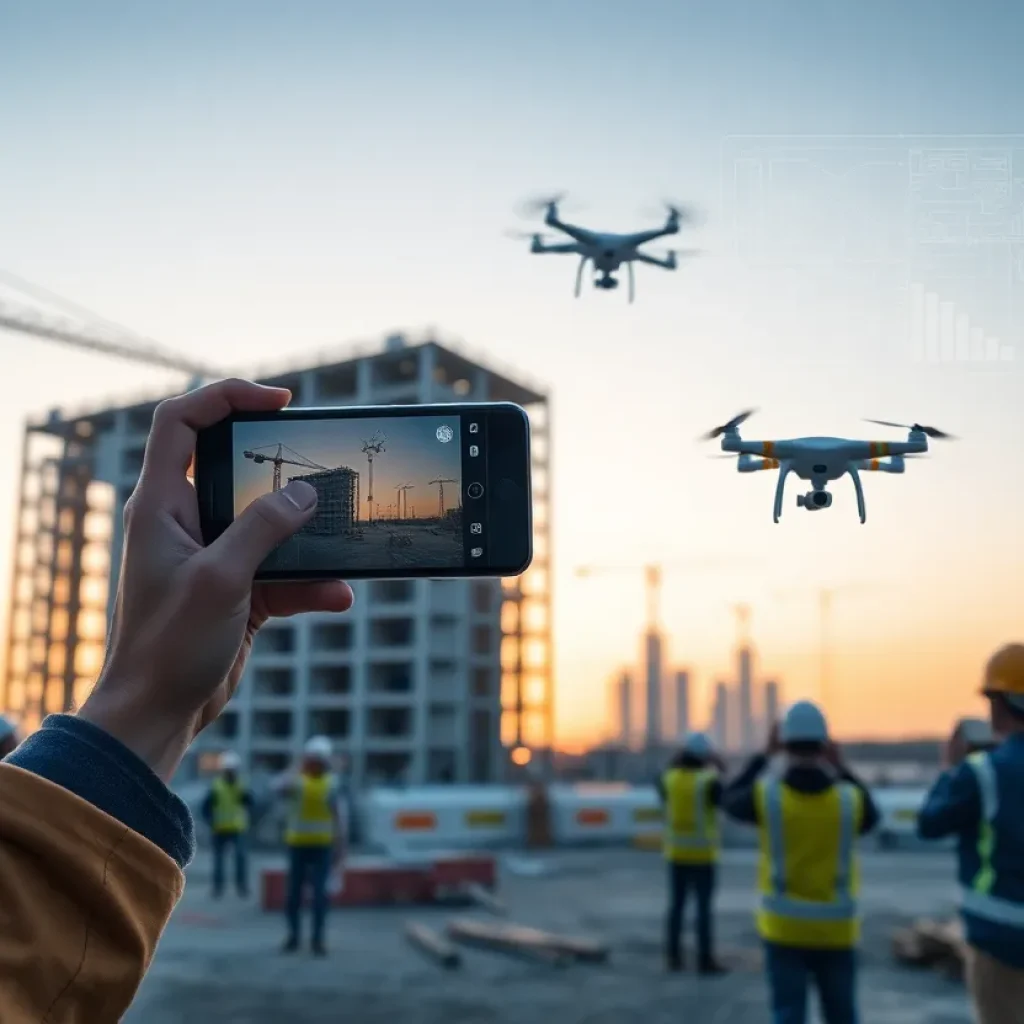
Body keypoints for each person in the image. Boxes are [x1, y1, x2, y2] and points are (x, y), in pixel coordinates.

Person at [0, 378, 354, 1020]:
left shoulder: (309, 786)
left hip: (267, 842)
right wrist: (153, 703)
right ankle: (304, 935)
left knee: (299, 894)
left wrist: (154, 703)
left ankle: (308, 934)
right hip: (246, 841)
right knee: (294, 894)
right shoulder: (303, 785)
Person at [722, 701, 880, 1024]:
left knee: (788, 1014)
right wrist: (842, 767)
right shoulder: (849, 801)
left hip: (784, 929)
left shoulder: (767, 798)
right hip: (836, 930)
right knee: (841, 1015)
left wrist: (764, 757)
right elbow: (873, 816)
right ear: (825, 746)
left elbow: (727, 798)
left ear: (783, 744)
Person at [916, 643, 1024, 1024]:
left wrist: (949, 768)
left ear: (999, 704)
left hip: (999, 936)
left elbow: (929, 824)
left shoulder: (981, 772)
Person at [657, 730, 728, 974]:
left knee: (676, 908)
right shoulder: (708, 781)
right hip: (703, 856)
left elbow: (662, 787)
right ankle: (705, 961)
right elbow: (726, 797)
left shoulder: (670, 778)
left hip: (676, 853)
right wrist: (719, 765)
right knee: (703, 911)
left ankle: (673, 958)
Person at [277, 735, 347, 956]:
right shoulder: (298, 781)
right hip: (297, 845)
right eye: (311, 759)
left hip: (322, 847)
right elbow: (278, 787)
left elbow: (339, 818)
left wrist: (341, 849)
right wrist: (297, 766)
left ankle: (317, 939)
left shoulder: (332, 784)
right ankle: (294, 937)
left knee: (319, 895)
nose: (315, 763)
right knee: (294, 895)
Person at [202, 750, 252, 898]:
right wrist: (210, 821)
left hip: (237, 828)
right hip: (220, 829)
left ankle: (241, 887)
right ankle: (218, 888)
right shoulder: (217, 786)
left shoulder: (241, 786)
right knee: (219, 861)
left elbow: (250, 803)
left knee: (240, 858)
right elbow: (206, 807)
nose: (231, 773)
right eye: (229, 770)